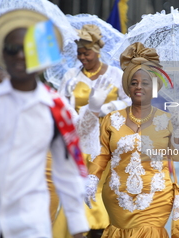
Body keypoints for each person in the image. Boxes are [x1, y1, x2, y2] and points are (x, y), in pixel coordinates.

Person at [0, 9, 101, 238]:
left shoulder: (56, 108)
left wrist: (78, 227)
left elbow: (68, 172)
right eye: (13, 49)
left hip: (27, 224)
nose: (20, 56)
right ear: (3, 55)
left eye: (29, 49)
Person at [85, 42, 179, 238]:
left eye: (145, 83)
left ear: (154, 87)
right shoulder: (111, 119)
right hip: (117, 196)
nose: (139, 87)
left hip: (156, 196)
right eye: (134, 82)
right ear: (127, 86)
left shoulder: (167, 119)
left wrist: (177, 128)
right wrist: (92, 178)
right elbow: (102, 154)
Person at [55, 24, 131, 238]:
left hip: (109, 141)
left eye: (86, 53)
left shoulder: (115, 75)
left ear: (97, 51)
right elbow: (60, 105)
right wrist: (74, 113)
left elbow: (130, 101)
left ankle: (103, 230)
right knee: (79, 190)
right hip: (79, 139)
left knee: (102, 190)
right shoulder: (71, 76)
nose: (82, 58)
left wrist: (106, 108)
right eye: (79, 53)